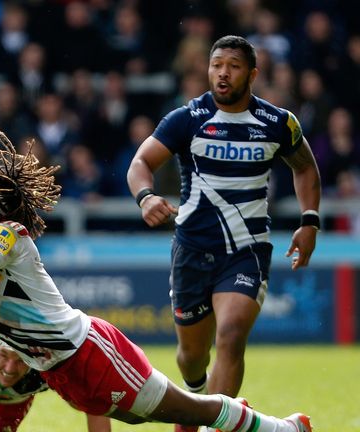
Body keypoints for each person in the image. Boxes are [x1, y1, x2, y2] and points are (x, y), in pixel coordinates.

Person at [0, 126, 313, 431]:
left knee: (182, 409)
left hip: (89, 351)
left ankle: (283, 428)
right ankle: (246, 418)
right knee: (146, 416)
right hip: (55, 369)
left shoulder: (9, 234)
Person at [125, 35, 321, 432]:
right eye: (216, 65)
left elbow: (305, 167)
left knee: (231, 336)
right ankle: (195, 393)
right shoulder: (187, 119)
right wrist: (146, 197)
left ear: (252, 74)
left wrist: (309, 220)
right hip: (192, 250)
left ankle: (210, 425)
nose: (223, 73)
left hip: (247, 251)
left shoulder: (277, 123)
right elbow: (141, 162)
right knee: (191, 357)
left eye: (233, 66)